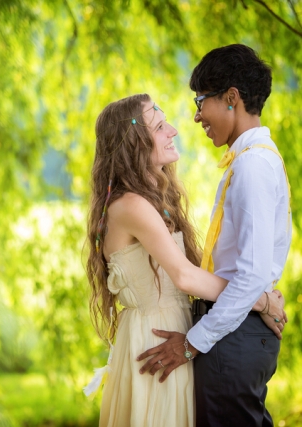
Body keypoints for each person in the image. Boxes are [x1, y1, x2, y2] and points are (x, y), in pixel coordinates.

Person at [84, 93, 285, 427]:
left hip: (176, 335)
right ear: (135, 142)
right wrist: (260, 300)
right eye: (161, 126)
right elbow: (187, 277)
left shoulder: (154, 200)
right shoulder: (131, 205)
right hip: (155, 342)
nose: (174, 130)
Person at [137, 44, 291, 427]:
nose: (195, 116)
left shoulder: (253, 166)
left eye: (200, 101)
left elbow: (251, 275)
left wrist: (190, 344)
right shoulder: (251, 159)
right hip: (238, 328)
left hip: (234, 335)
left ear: (231, 98)